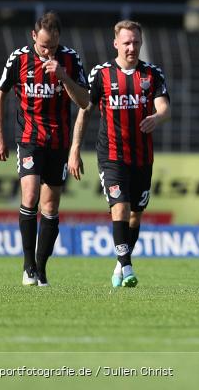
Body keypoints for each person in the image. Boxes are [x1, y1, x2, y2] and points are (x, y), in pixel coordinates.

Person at [68, 20, 171, 288]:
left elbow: (164, 108)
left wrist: (157, 118)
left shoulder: (152, 74)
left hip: (142, 157)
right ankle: (126, 266)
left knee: (135, 215)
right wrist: (75, 148)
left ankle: (119, 263)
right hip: (112, 154)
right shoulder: (101, 74)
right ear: (115, 43)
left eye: (136, 42)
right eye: (126, 42)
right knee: (120, 208)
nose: (131, 47)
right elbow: (85, 112)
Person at [0, 11, 90, 287]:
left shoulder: (70, 59)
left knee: (51, 204)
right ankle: (28, 266)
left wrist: (63, 76)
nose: (48, 51)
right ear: (34, 36)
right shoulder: (19, 58)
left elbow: (84, 101)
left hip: (58, 141)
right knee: (31, 194)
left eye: (53, 46)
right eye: (44, 45)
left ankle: (42, 267)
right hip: (29, 138)